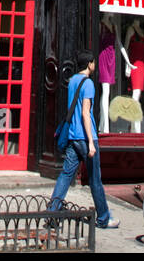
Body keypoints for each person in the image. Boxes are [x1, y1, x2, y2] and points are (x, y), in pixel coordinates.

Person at [48, 49, 119, 229]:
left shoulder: (72, 81)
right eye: (94, 62)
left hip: (72, 137)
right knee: (95, 180)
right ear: (89, 64)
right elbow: (85, 113)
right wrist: (90, 142)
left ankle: (52, 212)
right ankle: (103, 218)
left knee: (65, 175)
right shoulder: (88, 84)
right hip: (86, 138)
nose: (95, 65)